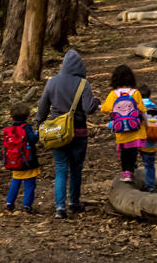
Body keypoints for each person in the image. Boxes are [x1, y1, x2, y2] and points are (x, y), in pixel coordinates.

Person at [36, 49, 99, 219]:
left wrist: (39, 125)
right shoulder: (82, 84)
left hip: (58, 134)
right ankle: (74, 203)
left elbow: (42, 109)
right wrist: (97, 102)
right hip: (78, 133)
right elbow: (89, 108)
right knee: (76, 169)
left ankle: (59, 207)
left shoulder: (52, 82)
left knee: (61, 170)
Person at [100, 65, 149, 185]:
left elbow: (105, 109)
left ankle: (125, 172)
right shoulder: (135, 93)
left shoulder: (113, 94)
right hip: (135, 128)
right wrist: (147, 126)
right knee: (132, 151)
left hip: (121, 129)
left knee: (124, 151)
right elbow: (142, 110)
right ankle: (130, 170)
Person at [2, 103, 40, 214]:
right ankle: (26, 206)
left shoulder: (11, 129)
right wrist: (37, 133)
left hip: (15, 160)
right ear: (27, 115)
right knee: (29, 183)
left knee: (15, 182)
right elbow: (33, 139)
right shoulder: (26, 127)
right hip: (28, 161)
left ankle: (9, 204)